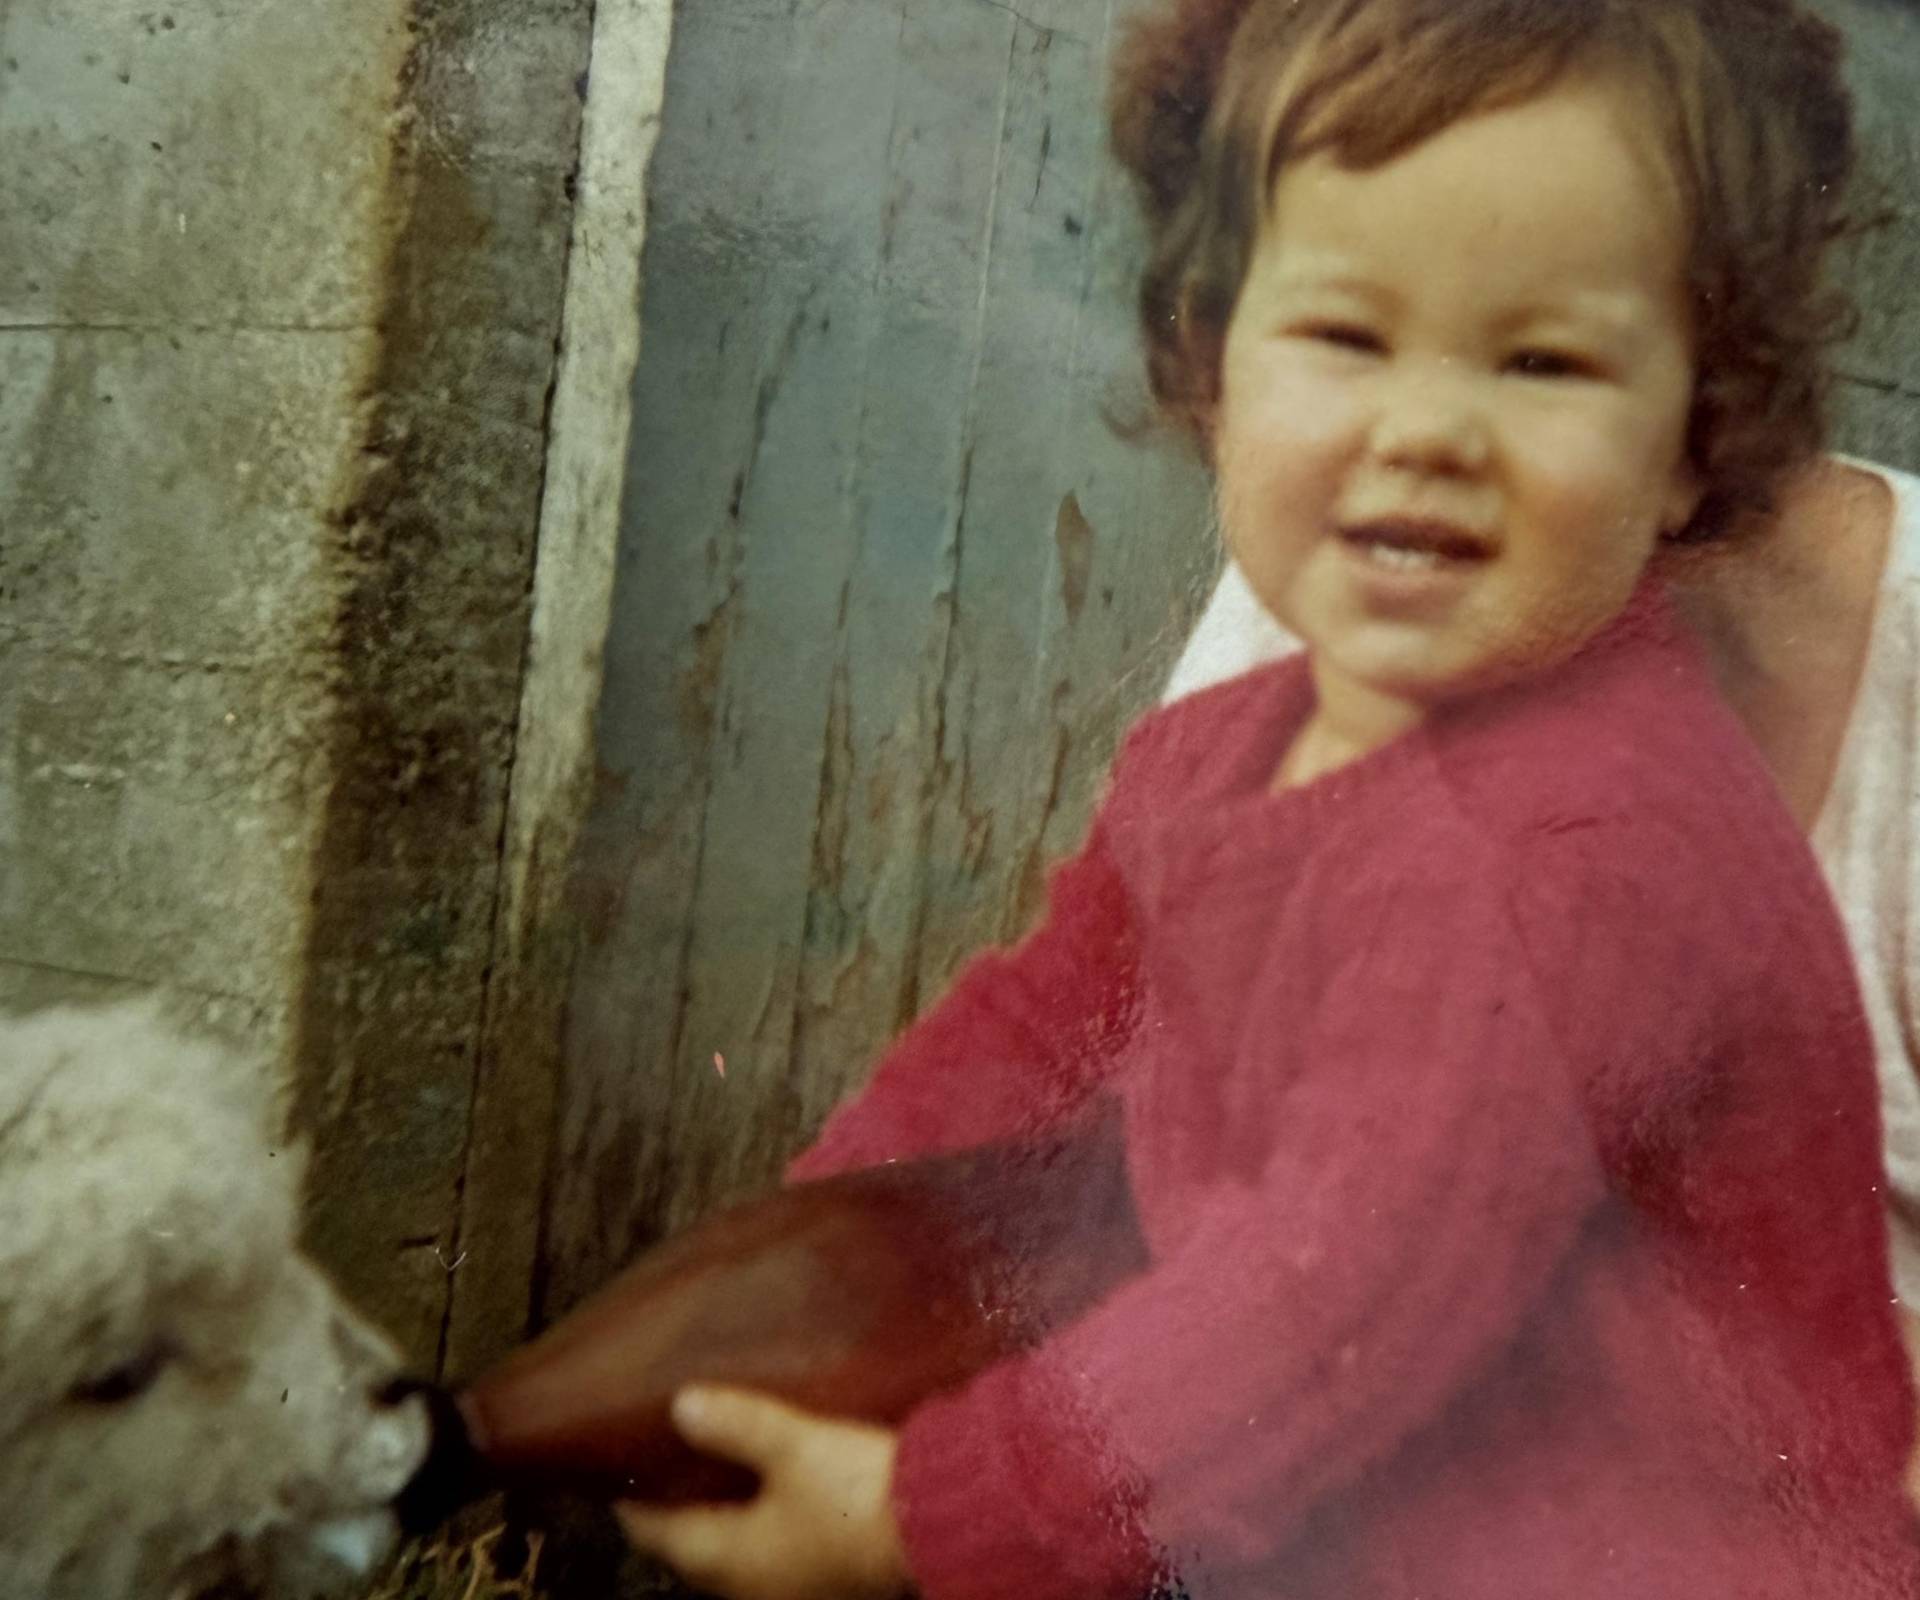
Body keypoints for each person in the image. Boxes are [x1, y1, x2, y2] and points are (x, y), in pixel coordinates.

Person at [617, 0, 1920, 1594]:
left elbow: (1327, 1302)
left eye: (1546, 361)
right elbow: (1031, 1043)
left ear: (1692, 443)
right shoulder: (1235, 747)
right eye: (1348, 335)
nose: (1429, 430)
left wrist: (929, 1514)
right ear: (1209, 361)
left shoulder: (1589, 848)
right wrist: (793, 1280)